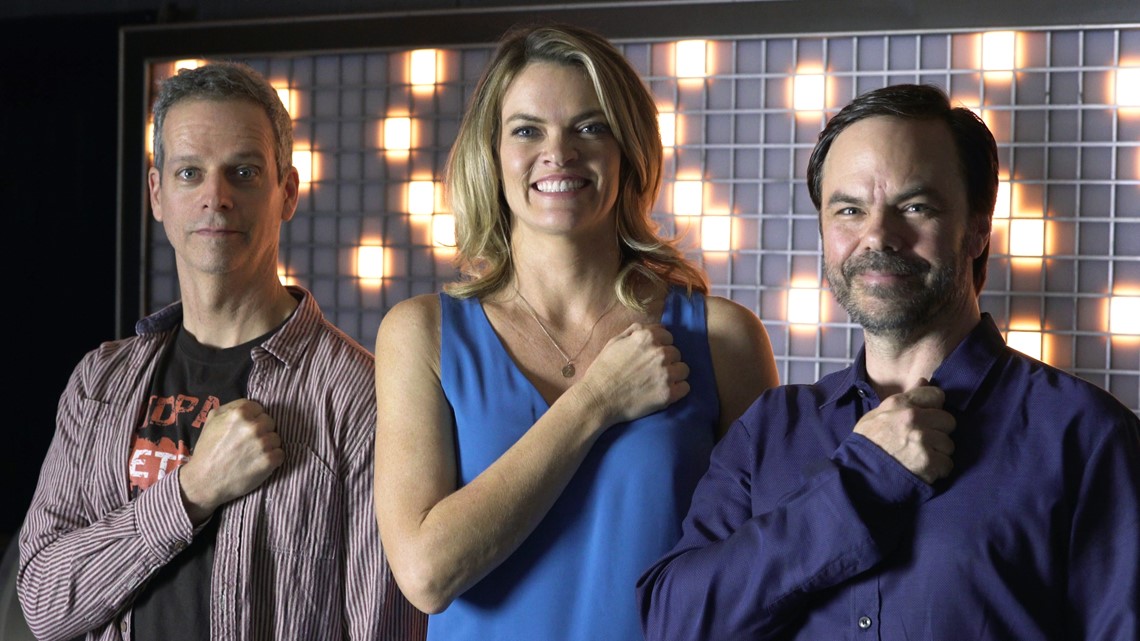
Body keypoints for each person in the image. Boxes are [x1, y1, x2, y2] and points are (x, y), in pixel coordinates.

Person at [637, 83, 1140, 640]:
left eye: (915, 206)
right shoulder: (769, 430)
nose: (878, 235)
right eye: (849, 210)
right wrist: (859, 485)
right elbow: (674, 624)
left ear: (977, 228)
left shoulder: (1087, 436)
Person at [373, 23, 779, 641]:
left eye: (590, 127)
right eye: (527, 130)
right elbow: (426, 575)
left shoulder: (725, 340)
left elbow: (765, 572)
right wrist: (596, 402)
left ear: (628, 151)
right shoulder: (421, 336)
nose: (558, 153)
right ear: (492, 154)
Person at [18, 62, 425, 641]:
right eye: (190, 173)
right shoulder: (98, 382)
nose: (216, 197)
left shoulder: (357, 396)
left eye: (243, 172)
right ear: (157, 194)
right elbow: (42, 603)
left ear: (287, 193)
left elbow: (382, 629)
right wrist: (192, 491)